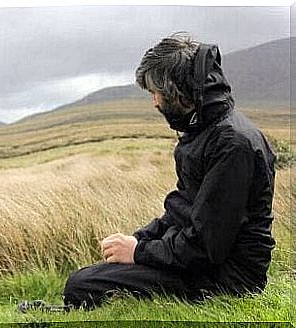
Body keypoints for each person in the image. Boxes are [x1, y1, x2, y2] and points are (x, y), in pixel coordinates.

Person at [62, 32, 276, 309]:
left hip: (229, 279)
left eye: (156, 92)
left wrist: (139, 252)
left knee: (83, 285)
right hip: (207, 265)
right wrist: (140, 238)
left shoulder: (231, 144)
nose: (154, 102)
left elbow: (207, 245)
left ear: (178, 92)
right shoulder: (204, 130)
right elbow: (184, 208)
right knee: (86, 280)